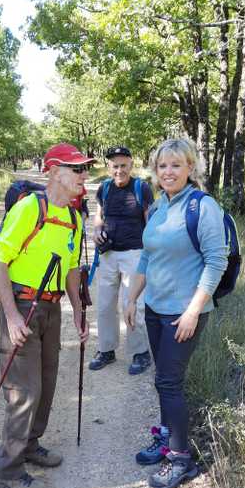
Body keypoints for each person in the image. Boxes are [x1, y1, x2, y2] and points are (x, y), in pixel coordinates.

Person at [124, 138, 228, 488]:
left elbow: (216, 261)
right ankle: (167, 437)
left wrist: (193, 312)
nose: (168, 172)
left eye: (176, 165)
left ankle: (181, 459)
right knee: (162, 379)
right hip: (155, 308)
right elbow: (146, 256)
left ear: (190, 169)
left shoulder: (202, 206)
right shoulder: (157, 208)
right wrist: (132, 297)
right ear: (155, 172)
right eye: (162, 166)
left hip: (184, 312)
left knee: (170, 382)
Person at [0, 143, 92, 488]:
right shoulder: (29, 208)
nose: (84, 175)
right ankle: (7, 468)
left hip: (51, 308)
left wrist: (79, 312)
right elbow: (0, 260)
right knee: (23, 390)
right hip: (22, 304)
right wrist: (12, 315)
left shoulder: (75, 219)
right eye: (76, 169)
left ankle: (31, 444)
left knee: (46, 382)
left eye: (85, 169)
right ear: (53, 172)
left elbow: (72, 270)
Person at [89, 145, 154, 375]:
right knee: (105, 305)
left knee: (132, 304)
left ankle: (140, 353)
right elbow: (99, 216)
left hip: (134, 255)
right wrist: (97, 232)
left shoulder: (141, 188)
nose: (119, 170)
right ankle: (106, 350)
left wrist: (152, 253)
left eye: (123, 166)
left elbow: (150, 221)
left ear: (131, 165)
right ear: (109, 167)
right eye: (115, 166)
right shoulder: (104, 188)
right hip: (107, 255)